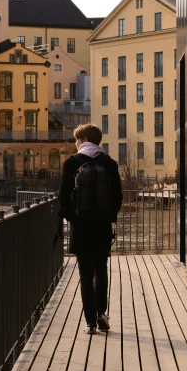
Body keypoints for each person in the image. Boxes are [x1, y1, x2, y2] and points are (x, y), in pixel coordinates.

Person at [59, 124, 123, 334]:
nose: (76, 144)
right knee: (100, 268)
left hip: (81, 226)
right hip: (102, 226)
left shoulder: (72, 162)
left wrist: (74, 217)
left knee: (85, 274)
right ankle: (101, 313)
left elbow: (63, 198)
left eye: (77, 140)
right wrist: (109, 216)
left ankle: (89, 322)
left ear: (84, 138)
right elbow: (117, 197)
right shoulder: (109, 162)